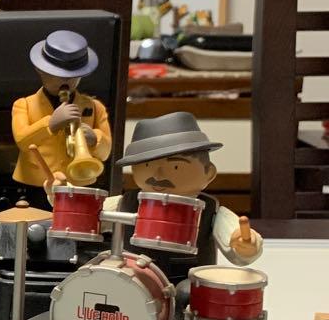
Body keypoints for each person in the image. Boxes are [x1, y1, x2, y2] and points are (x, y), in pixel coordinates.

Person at [106, 111, 262, 274]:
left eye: (175, 167)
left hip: (189, 277)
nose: (158, 176)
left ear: (209, 173)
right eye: (147, 166)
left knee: (187, 289)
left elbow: (237, 243)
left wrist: (246, 246)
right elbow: (92, 219)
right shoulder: (123, 203)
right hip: (133, 276)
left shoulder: (211, 211)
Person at [11, 29, 112, 206]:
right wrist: (50, 124)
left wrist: (94, 138)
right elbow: (22, 141)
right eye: (55, 75)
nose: (66, 82)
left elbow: (105, 153)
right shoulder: (23, 105)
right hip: (35, 185)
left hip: (79, 183)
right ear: (39, 70)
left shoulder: (95, 107)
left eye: (73, 76)